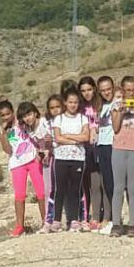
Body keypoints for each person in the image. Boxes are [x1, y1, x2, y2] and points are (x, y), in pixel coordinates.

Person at [0, 101, 47, 236]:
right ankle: (20, 225)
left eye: (8, 113)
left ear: (13, 112)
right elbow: (8, 150)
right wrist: (2, 134)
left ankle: (45, 221)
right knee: (19, 195)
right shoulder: (5, 130)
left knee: (41, 192)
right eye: (3, 115)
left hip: (33, 159)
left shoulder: (22, 122)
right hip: (17, 164)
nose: (6, 117)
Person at [110, 76, 134, 237]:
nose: (131, 93)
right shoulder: (115, 105)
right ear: (122, 89)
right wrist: (121, 111)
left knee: (133, 187)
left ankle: (133, 223)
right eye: (128, 90)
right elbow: (116, 127)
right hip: (119, 147)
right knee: (118, 187)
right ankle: (116, 223)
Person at [52, 90, 92, 231]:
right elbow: (58, 138)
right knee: (60, 189)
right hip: (61, 158)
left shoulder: (83, 119)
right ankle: (56, 219)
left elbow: (86, 137)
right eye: (70, 102)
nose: (73, 105)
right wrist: (76, 138)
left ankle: (74, 219)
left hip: (78, 158)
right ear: (65, 103)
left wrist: (68, 136)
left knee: (75, 190)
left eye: (75, 102)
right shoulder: (59, 119)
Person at [78, 77, 101, 230]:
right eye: (83, 91)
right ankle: (87, 216)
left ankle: (101, 216)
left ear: (94, 89)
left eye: (89, 89)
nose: (87, 93)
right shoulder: (80, 108)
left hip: (101, 146)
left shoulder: (101, 105)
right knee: (88, 183)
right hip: (85, 148)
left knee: (101, 183)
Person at [95, 76, 117, 235]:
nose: (106, 92)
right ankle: (113, 219)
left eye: (108, 89)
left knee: (115, 184)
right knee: (107, 184)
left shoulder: (117, 103)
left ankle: (116, 219)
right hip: (101, 145)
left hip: (113, 145)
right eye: (102, 90)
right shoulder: (100, 106)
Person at [37, 95, 62, 233]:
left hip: (65, 157)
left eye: (58, 107)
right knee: (49, 189)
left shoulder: (68, 120)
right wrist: (47, 144)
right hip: (50, 157)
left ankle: (71, 219)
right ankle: (48, 220)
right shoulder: (45, 122)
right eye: (52, 108)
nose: (55, 110)